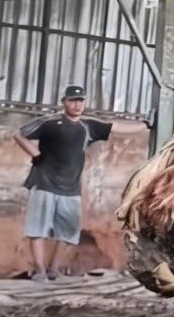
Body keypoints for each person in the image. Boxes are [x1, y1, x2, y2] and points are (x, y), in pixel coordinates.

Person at [12, 85, 148, 281]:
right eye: (72, 101)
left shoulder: (88, 126)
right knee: (37, 230)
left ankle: (53, 270)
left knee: (68, 233)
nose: (77, 105)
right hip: (43, 183)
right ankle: (40, 271)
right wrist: (36, 155)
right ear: (64, 102)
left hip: (70, 189)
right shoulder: (50, 122)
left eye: (80, 101)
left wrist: (145, 125)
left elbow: (116, 128)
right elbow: (19, 135)